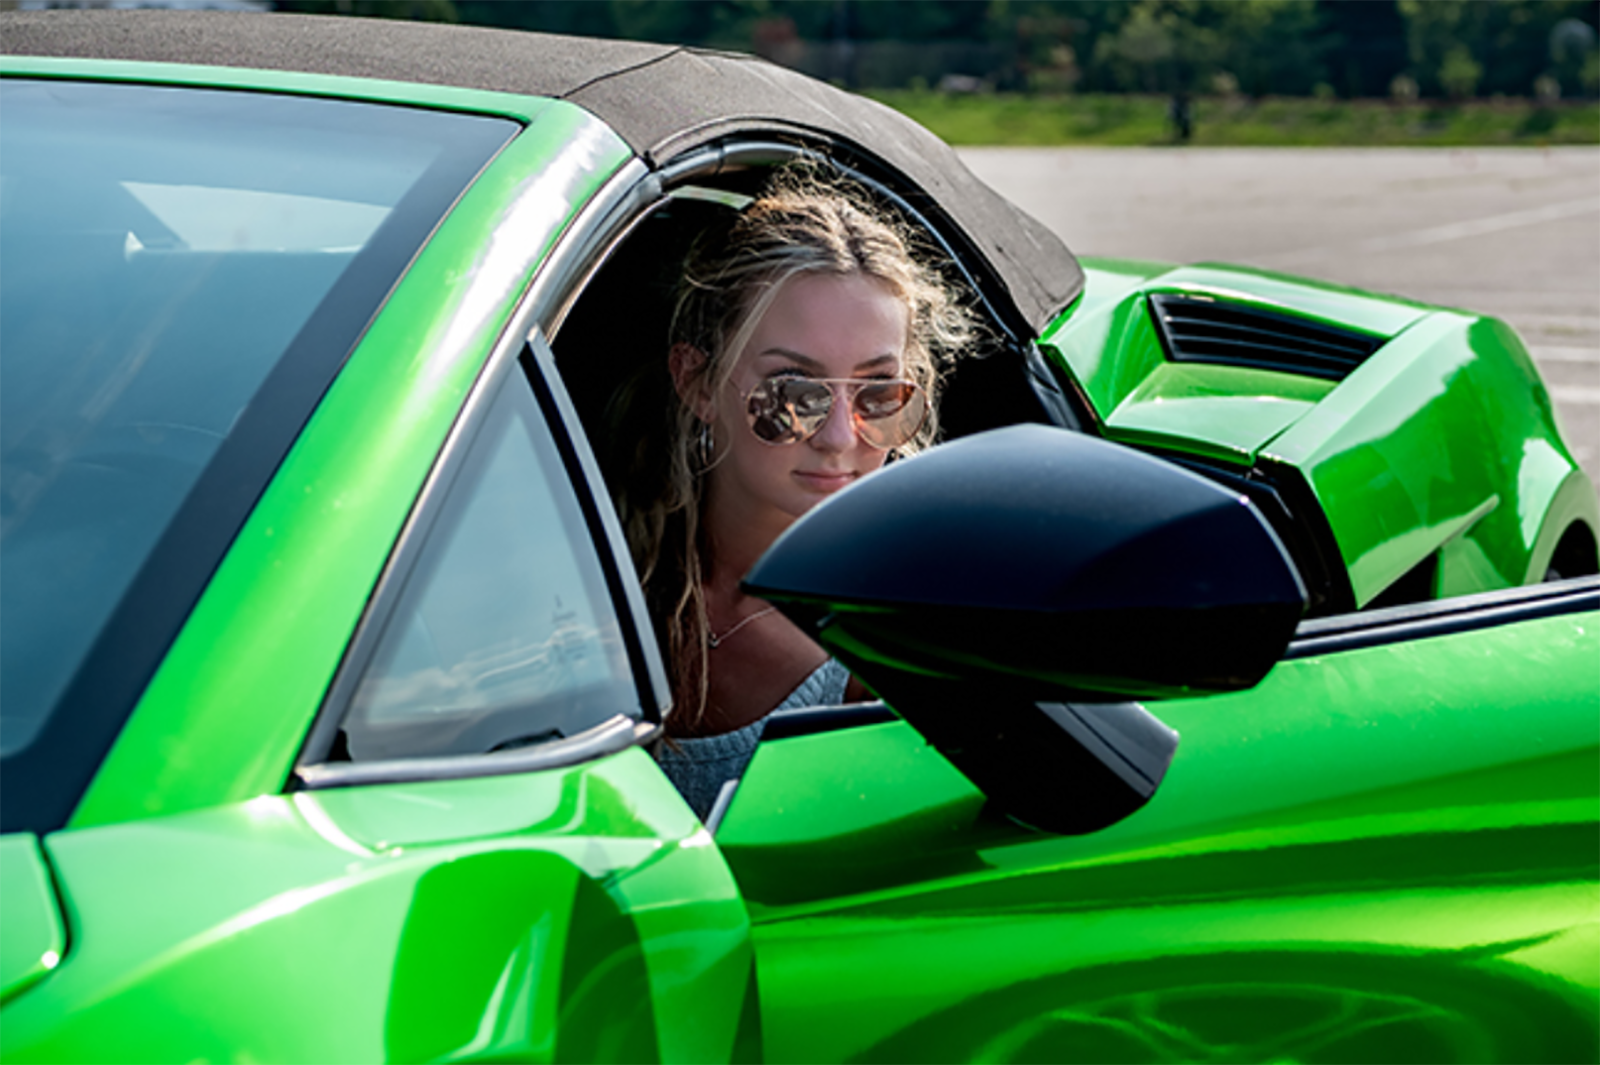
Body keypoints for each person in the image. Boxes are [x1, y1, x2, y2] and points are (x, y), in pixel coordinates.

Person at [606, 169, 976, 818]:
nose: (839, 436)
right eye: (793, 391)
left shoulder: (903, 638)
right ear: (698, 383)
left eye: (879, 393)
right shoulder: (589, 564)